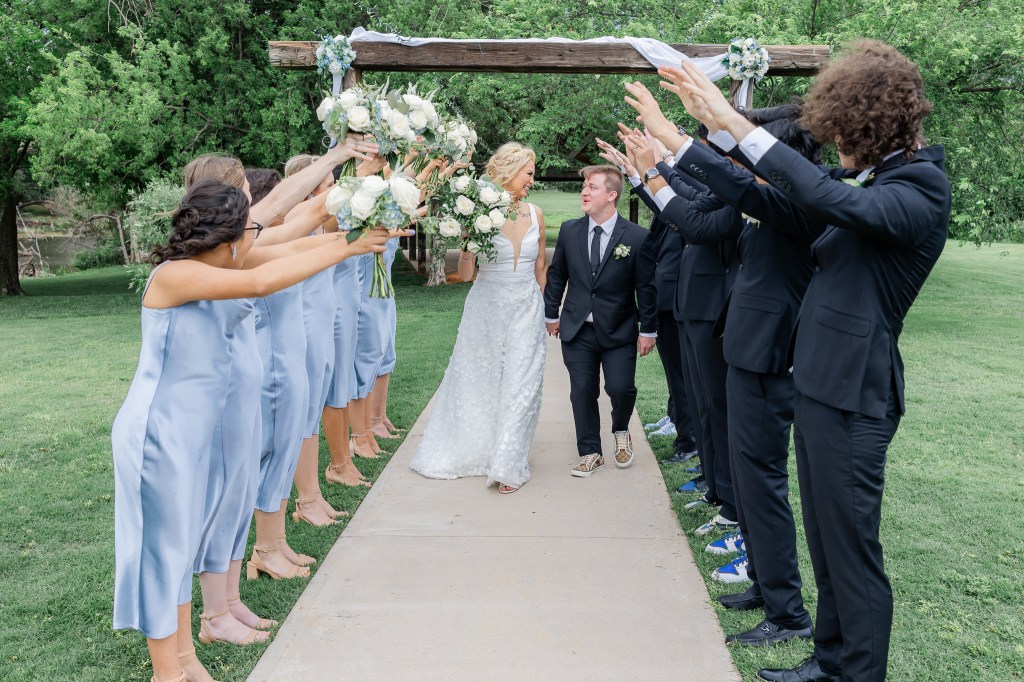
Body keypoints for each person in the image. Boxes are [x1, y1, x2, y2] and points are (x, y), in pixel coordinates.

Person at [630, 40, 951, 682]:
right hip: (820, 385)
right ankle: (831, 660)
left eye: (840, 132)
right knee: (827, 543)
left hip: (856, 395)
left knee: (851, 550)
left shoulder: (920, 186)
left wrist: (731, 120)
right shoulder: (868, 183)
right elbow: (769, 201)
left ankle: (854, 673)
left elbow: (829, 199)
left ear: (864, 124)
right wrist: (687, 144)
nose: (833, 146)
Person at [111, 179, 397, 682]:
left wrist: (353, 238)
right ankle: (167, 674)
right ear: (227, 237)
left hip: (195, 434)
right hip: (160, 434)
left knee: (182, 547)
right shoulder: (175, 275)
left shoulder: (226, 263)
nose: (257, 235)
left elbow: (296, 247)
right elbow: (264, 282)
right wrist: (348, 247)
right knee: (163, 554)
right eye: (250, 228)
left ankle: (185, 659)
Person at [410, 142, 547, 493]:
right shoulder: (478, 212)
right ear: (510, 172)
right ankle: (483, 450)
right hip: (487, 306)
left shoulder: (536, 213)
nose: (532, 180)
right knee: (482, 381)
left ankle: (508, 463)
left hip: (527, 307)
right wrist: (469, 243)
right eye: (529, 173)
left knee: (523, 383)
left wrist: (544, 308)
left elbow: (540, 267)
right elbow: (467, 273)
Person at [543, 164, 657, 477]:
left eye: (592, 187)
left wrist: (648, 330)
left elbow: (646, 287)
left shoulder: (637, 237)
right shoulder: (569, 231)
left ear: (611, 195)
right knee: (582, 391)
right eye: (584, 187)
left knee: (621, 388)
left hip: (619, 329)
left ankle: (621, 429)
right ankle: (591, 451)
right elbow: (557, 276)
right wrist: (551, 314)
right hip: (577, 328)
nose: (584, 192)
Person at [597, 136, 699, 464]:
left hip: (677, 295)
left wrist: (643, 169)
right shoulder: (674, 192)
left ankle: (688, 440)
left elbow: (665, 205)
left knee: (683, 375)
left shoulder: (689, 190)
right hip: (668, 296)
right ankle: (675, 418)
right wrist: (632, 171)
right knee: (675, 372)